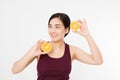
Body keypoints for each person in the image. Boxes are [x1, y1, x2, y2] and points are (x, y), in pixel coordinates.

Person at [12, 12, 103, 80]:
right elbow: (14, 70)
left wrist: (87, 35)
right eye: (50, 26)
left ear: (66, 30)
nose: (52, 30)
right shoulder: (39, 48)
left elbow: (97, 60)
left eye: (57, 27)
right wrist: (31, 54)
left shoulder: (72, 50)